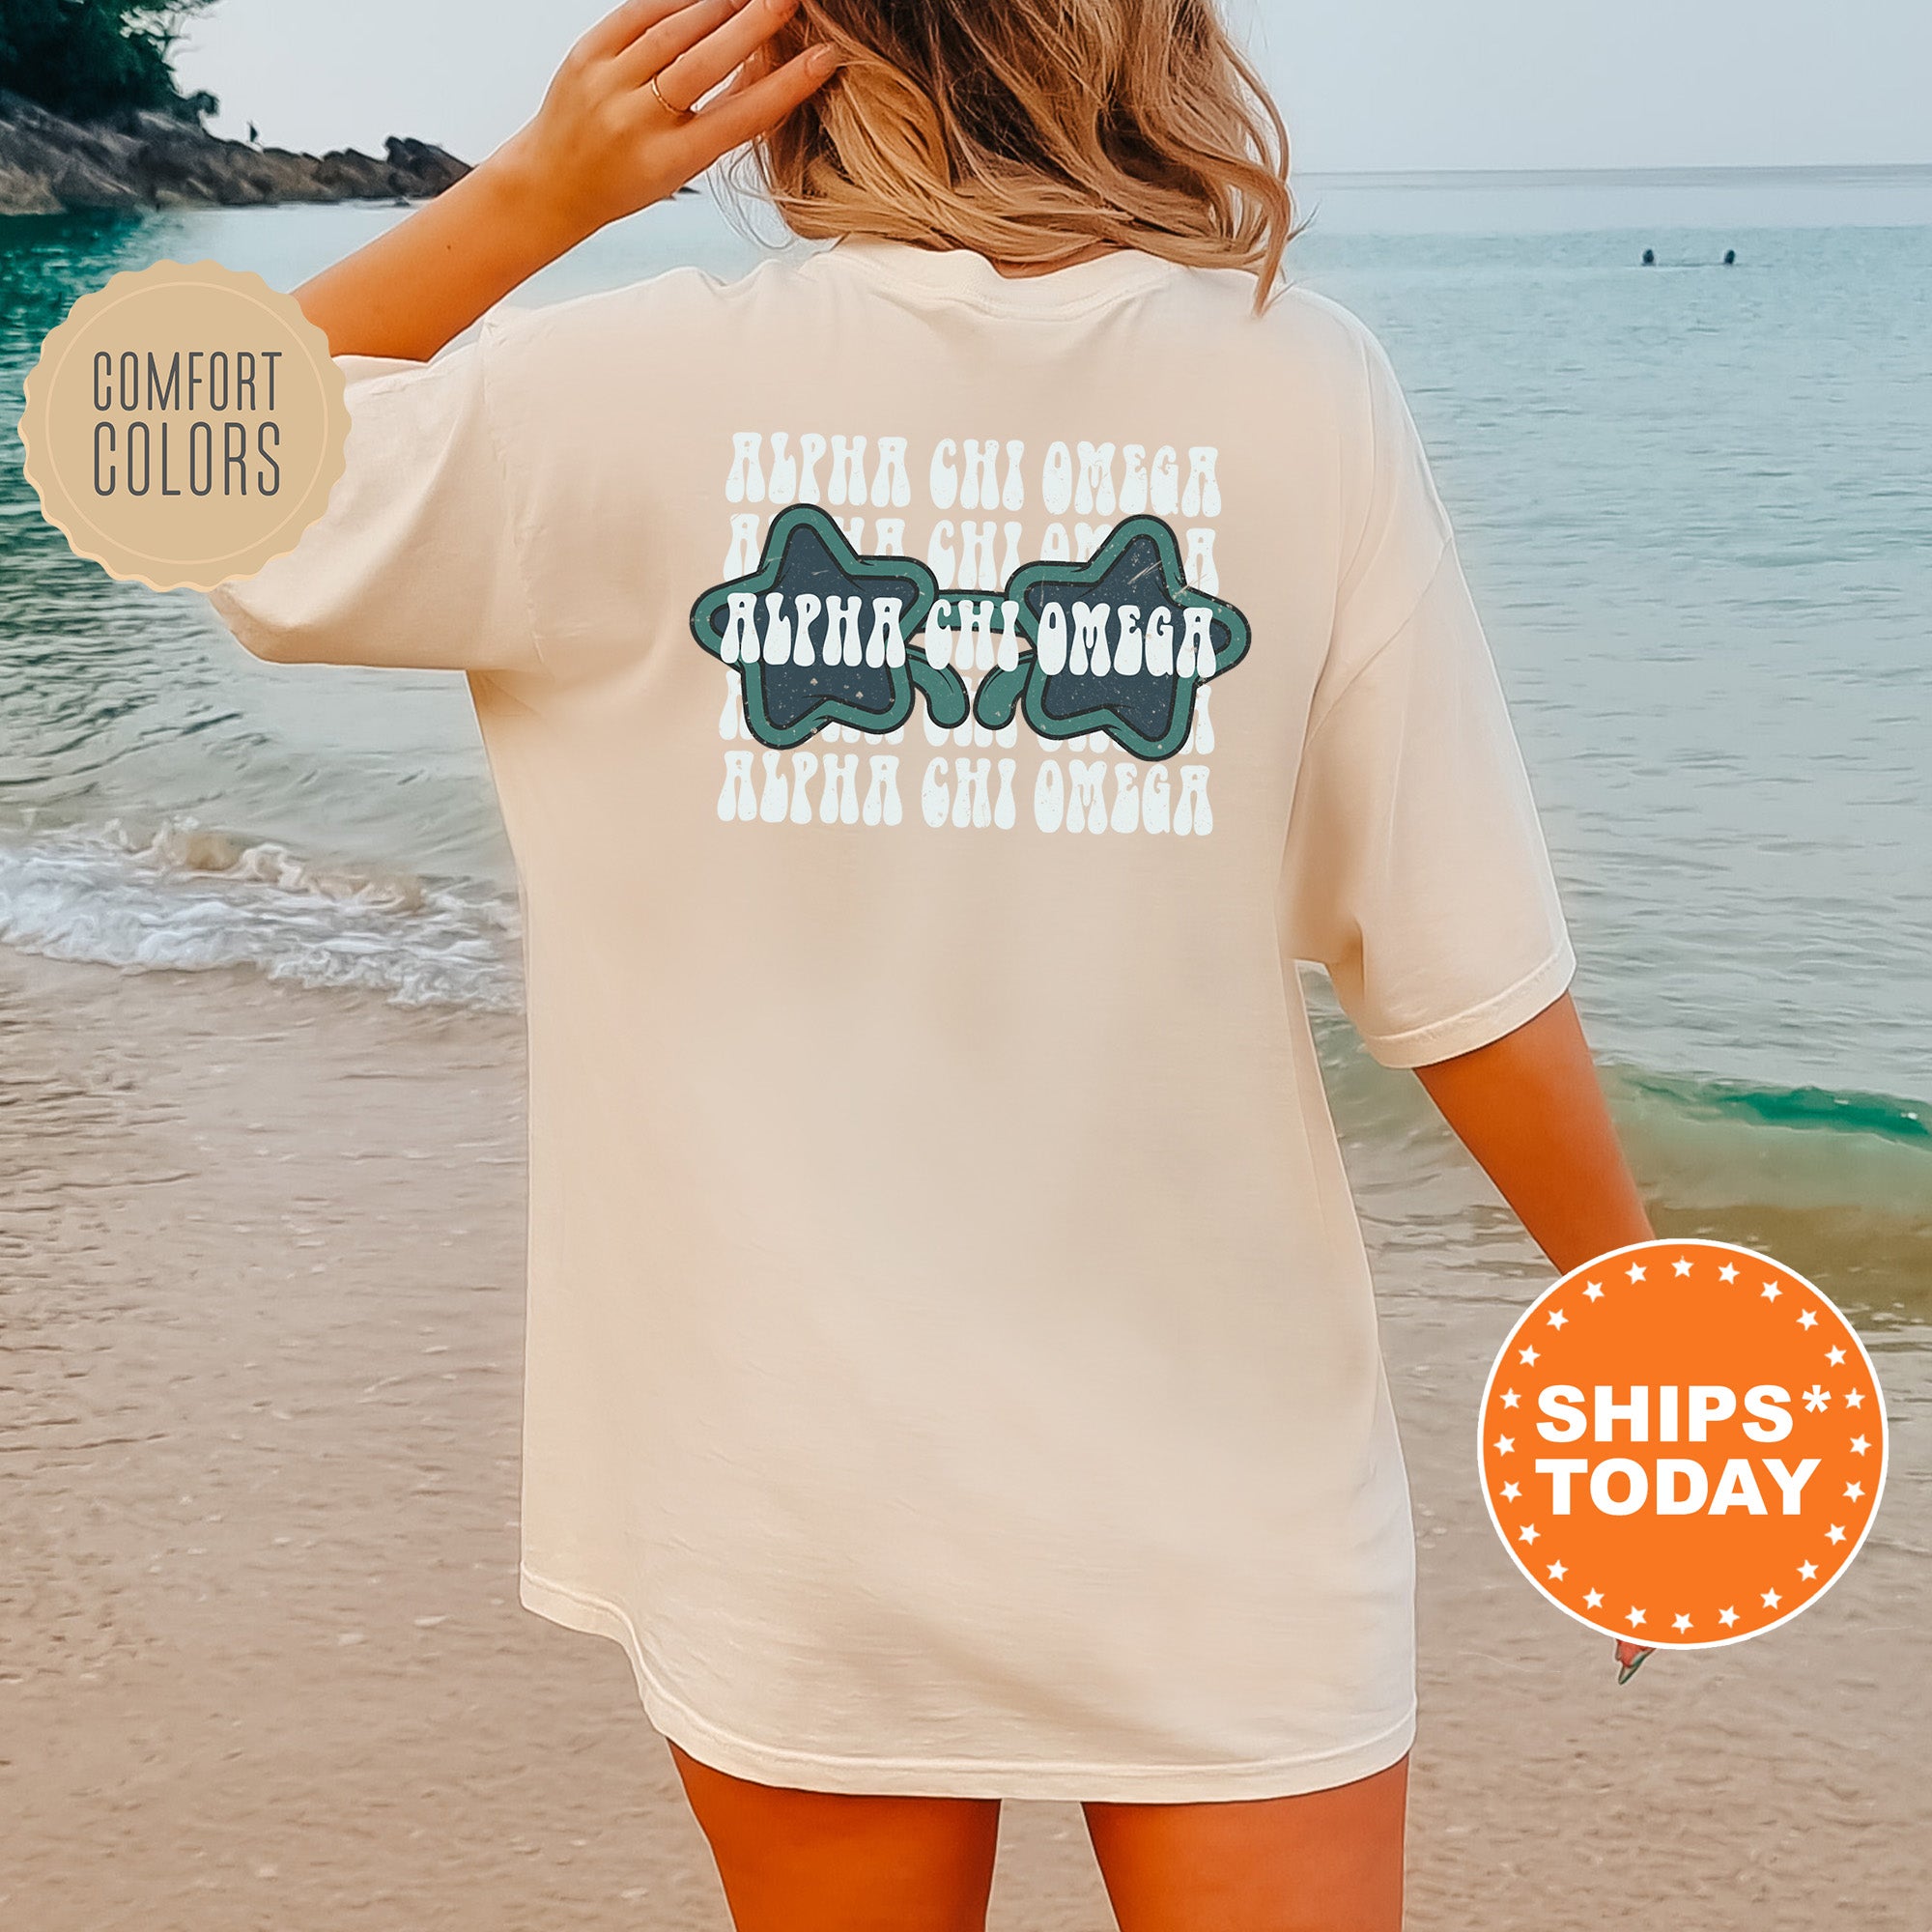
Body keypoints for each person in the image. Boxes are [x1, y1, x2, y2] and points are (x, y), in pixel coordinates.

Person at [206, 1, 1653, 1925]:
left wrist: (537, 193)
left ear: (797, 59)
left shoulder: (622, 390)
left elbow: (162, 451)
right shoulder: (1301, 389)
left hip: (792, 1489)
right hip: (1222, 1499)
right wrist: (1644, 1344)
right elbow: (1458, 957)